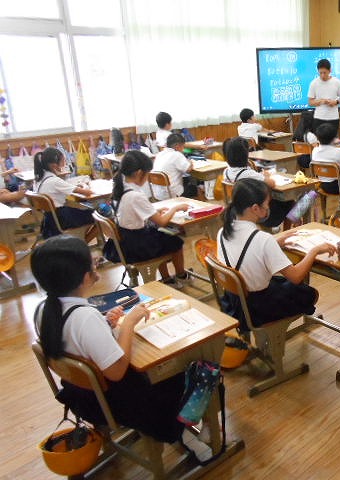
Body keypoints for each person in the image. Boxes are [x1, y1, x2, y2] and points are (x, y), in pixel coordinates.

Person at [31, 235, 216, 460]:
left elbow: (78, 342)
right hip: (116, 403)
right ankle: (181, 432)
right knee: (197, 368)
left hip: (80, 396)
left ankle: (181, 430)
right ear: (83, 277)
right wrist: (128, 323)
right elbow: (117, 371)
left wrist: (106, 324)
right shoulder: (85, 318)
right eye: (91, 262)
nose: (95, 262)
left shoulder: (44, 310)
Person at [216, 178, 336, 331]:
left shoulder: (223, 232)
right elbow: (296, 276)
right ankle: (276, 333)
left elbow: (248, 250)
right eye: (267, 204)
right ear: (255, 208)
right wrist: (314, 251)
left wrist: (275, 242)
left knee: (281, 283)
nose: (268, 208)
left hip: (233, 301)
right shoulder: (262, 240)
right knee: (308, 293)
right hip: (257, 309)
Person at [104, 150, 189, 288]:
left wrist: (154, 211)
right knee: (175, 241)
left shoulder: (120, 189)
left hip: (126, 240)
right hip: (138, 245)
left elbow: (132, 211)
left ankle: (167, 279)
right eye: (147, 173)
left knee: (161, 235)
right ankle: (181, 275)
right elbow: (162, 221)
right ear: (139, 173)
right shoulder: (135, 195)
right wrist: (176, 208)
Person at [222, 137, 293, 229]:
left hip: (240, 212)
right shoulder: (249, 174)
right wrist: (266, 176)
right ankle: (287, 230)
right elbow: (272, 183)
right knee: (291, 200)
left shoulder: (226, 172)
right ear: (245, 155)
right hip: (263, 214)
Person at [33, 147, 95, 239]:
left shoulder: (38, 180)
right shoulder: (54, 181)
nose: (64, 164)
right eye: (63, 161)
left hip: (49, 220)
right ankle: (84, 243)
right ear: (54, 165)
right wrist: (84, 185)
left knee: (85, 211)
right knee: (99, 215)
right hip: (62, 218)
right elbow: (87, 192)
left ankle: (81, 241)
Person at [311, 123, 340, 195]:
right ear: (333, 138)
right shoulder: (337, 151)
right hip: (339, 186)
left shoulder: (315, 150)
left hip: (323, 185)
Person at [151, 133, 196, 200]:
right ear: (177, 146)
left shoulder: (159, 154)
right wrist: (190, 162)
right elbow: (188, 169)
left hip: (157, 194)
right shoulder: (177, 155)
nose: (183, 149)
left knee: (185, 180)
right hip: (171, 194)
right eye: (183, 146)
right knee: (195, 188)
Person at [307, 59, 340, 132]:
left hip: (333, 118)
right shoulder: (314, 83)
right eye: (320, 73)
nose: (322, 75)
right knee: (319, 141)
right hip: (318, 118)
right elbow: (310, 102)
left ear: (330, 70)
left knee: (332, 142)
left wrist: (336, 102)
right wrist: (321, 101)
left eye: (324, 73)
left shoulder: (337, 82)